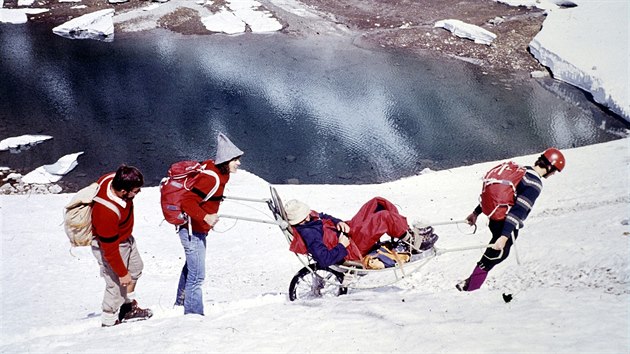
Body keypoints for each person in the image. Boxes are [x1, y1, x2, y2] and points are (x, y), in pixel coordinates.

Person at [457, 148, 566, 291]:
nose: (553, 174)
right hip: (506, 224)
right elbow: (518, 210)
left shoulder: (521, 171)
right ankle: (471, 286)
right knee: (497, 255)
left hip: (495, 219)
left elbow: (500, 196)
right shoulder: (534, 184)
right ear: (550, 167)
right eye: (555, 171)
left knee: (496, 254)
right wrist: (504, 236)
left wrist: (476, 212)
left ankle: (471, 282)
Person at [174, 132, 244, 315]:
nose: (239, 163)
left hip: (196, 228)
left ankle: (180, 303)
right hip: (192, 229)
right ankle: (193, 315)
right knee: (197, 276)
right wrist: (206, 217)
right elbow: (187, 202)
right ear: (226, 160)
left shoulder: (218, 171)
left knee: (192, 266)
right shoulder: (211, 177)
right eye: (235, 159)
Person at [284, 197, 438, 268]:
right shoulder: (310, 234)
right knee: (383, 217)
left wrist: (338, 222)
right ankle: (412, 242)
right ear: (302, 219)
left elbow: (324, 216)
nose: (311, 214)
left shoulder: (310, 220)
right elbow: (324, 260)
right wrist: (342, 245)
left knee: (378, 202)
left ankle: (402, 232)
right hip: (352, 247)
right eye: (307, 214)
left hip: (348, 231)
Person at [91, 164, 152, 327]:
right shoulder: (106, 212)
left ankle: (127, 308)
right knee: (116, 283)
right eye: (136, 190)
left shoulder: (111, 179)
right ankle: (109, 321)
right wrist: (121, 272)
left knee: (135, 268)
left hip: (125, 237)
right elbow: (109, 251)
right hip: (111, 245)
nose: (138, 193)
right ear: (124, 191)